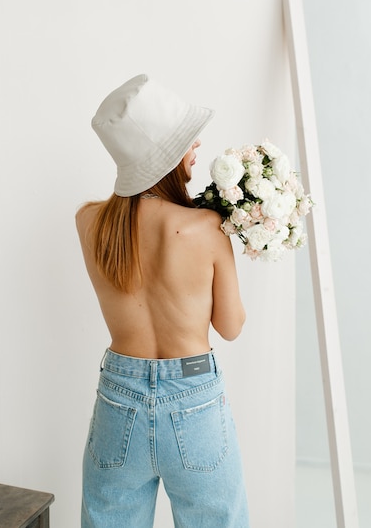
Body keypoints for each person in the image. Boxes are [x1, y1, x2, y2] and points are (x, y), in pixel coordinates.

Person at [76, 74, 249, 527]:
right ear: (165, 154)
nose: (198, 144)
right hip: (193, 394)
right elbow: (230, 327)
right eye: (186, 138)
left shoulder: (90, 223)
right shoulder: (207, 227)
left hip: (119, 395)